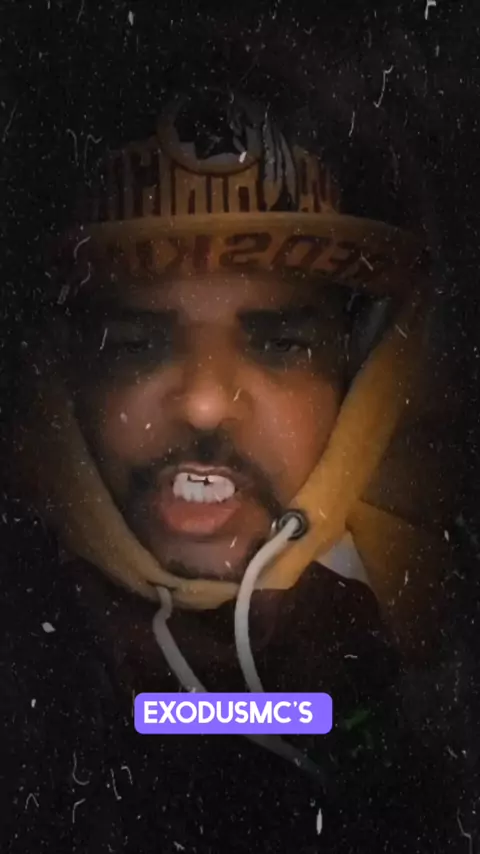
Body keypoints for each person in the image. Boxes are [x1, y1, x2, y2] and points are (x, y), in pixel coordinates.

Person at [0, 83, 460, 852]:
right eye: (135, 344)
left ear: (358, 379)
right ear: (62, 383)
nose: (207, 404)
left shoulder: (441, 636)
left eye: (280, 342)